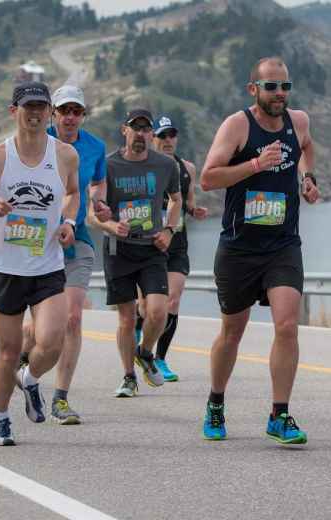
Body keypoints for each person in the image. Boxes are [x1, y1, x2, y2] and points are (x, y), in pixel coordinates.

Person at [199, 56, 319, 444]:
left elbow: (306, 147)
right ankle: (216, 403)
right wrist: (253, 164)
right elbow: (208, 178)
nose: (280, 93)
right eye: (271, 86)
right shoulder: (237, 125)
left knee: (287, 325)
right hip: (239, 248)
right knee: (232, 331)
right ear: (254, 89)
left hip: (283, 244)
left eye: (285, 86)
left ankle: (279, 416)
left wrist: (307, 178)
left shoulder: (298, 122)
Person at [0, 81, 80, 446]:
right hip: (4, 269)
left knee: (53, 340)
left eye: (41, 107)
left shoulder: (65, 155)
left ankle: (30, 380)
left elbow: (73, 192)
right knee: (9, 353)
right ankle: (1, 418)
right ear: (14, 111)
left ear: (50, 112)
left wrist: (69, 222)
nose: (35, 113)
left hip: (47, 265)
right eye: (27, 106)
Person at [19, 84, 110, 425]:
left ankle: (60, 398)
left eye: (77, 111)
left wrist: (98, 201)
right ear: (53, 114)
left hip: (76, 240)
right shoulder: (36, 142)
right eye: (64, 111)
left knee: (72, 318)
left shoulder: (95, 147)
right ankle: (26, 364)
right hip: (34, 242)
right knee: (36, 330)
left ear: (83, 115)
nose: (70, 117)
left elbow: (97, 182)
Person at [88, 108, 181, 398]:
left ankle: (145, 352)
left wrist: (168, 230)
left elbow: (176, 200)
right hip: (119, 250)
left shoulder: (165, 165)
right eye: (135, 128)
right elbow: (92, 212)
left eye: (145, 129)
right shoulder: (108, 166)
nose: (140, 133)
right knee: (127, 318)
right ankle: (129, 376)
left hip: (152, 247)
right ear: (124, 130)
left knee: (157, 311)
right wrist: (113, 225)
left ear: (150, 134)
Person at [133, 114, 208, 382]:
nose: (167, 140)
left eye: (171, 135)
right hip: (148, 244)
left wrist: (194, 210)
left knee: (172, 301)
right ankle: (139, 337)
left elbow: (188, 200)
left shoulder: (187, 167)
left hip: (177, 242)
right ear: (153, 138)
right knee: (146, 307)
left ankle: (159, 359)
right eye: (162, 136)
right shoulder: (142, 166)